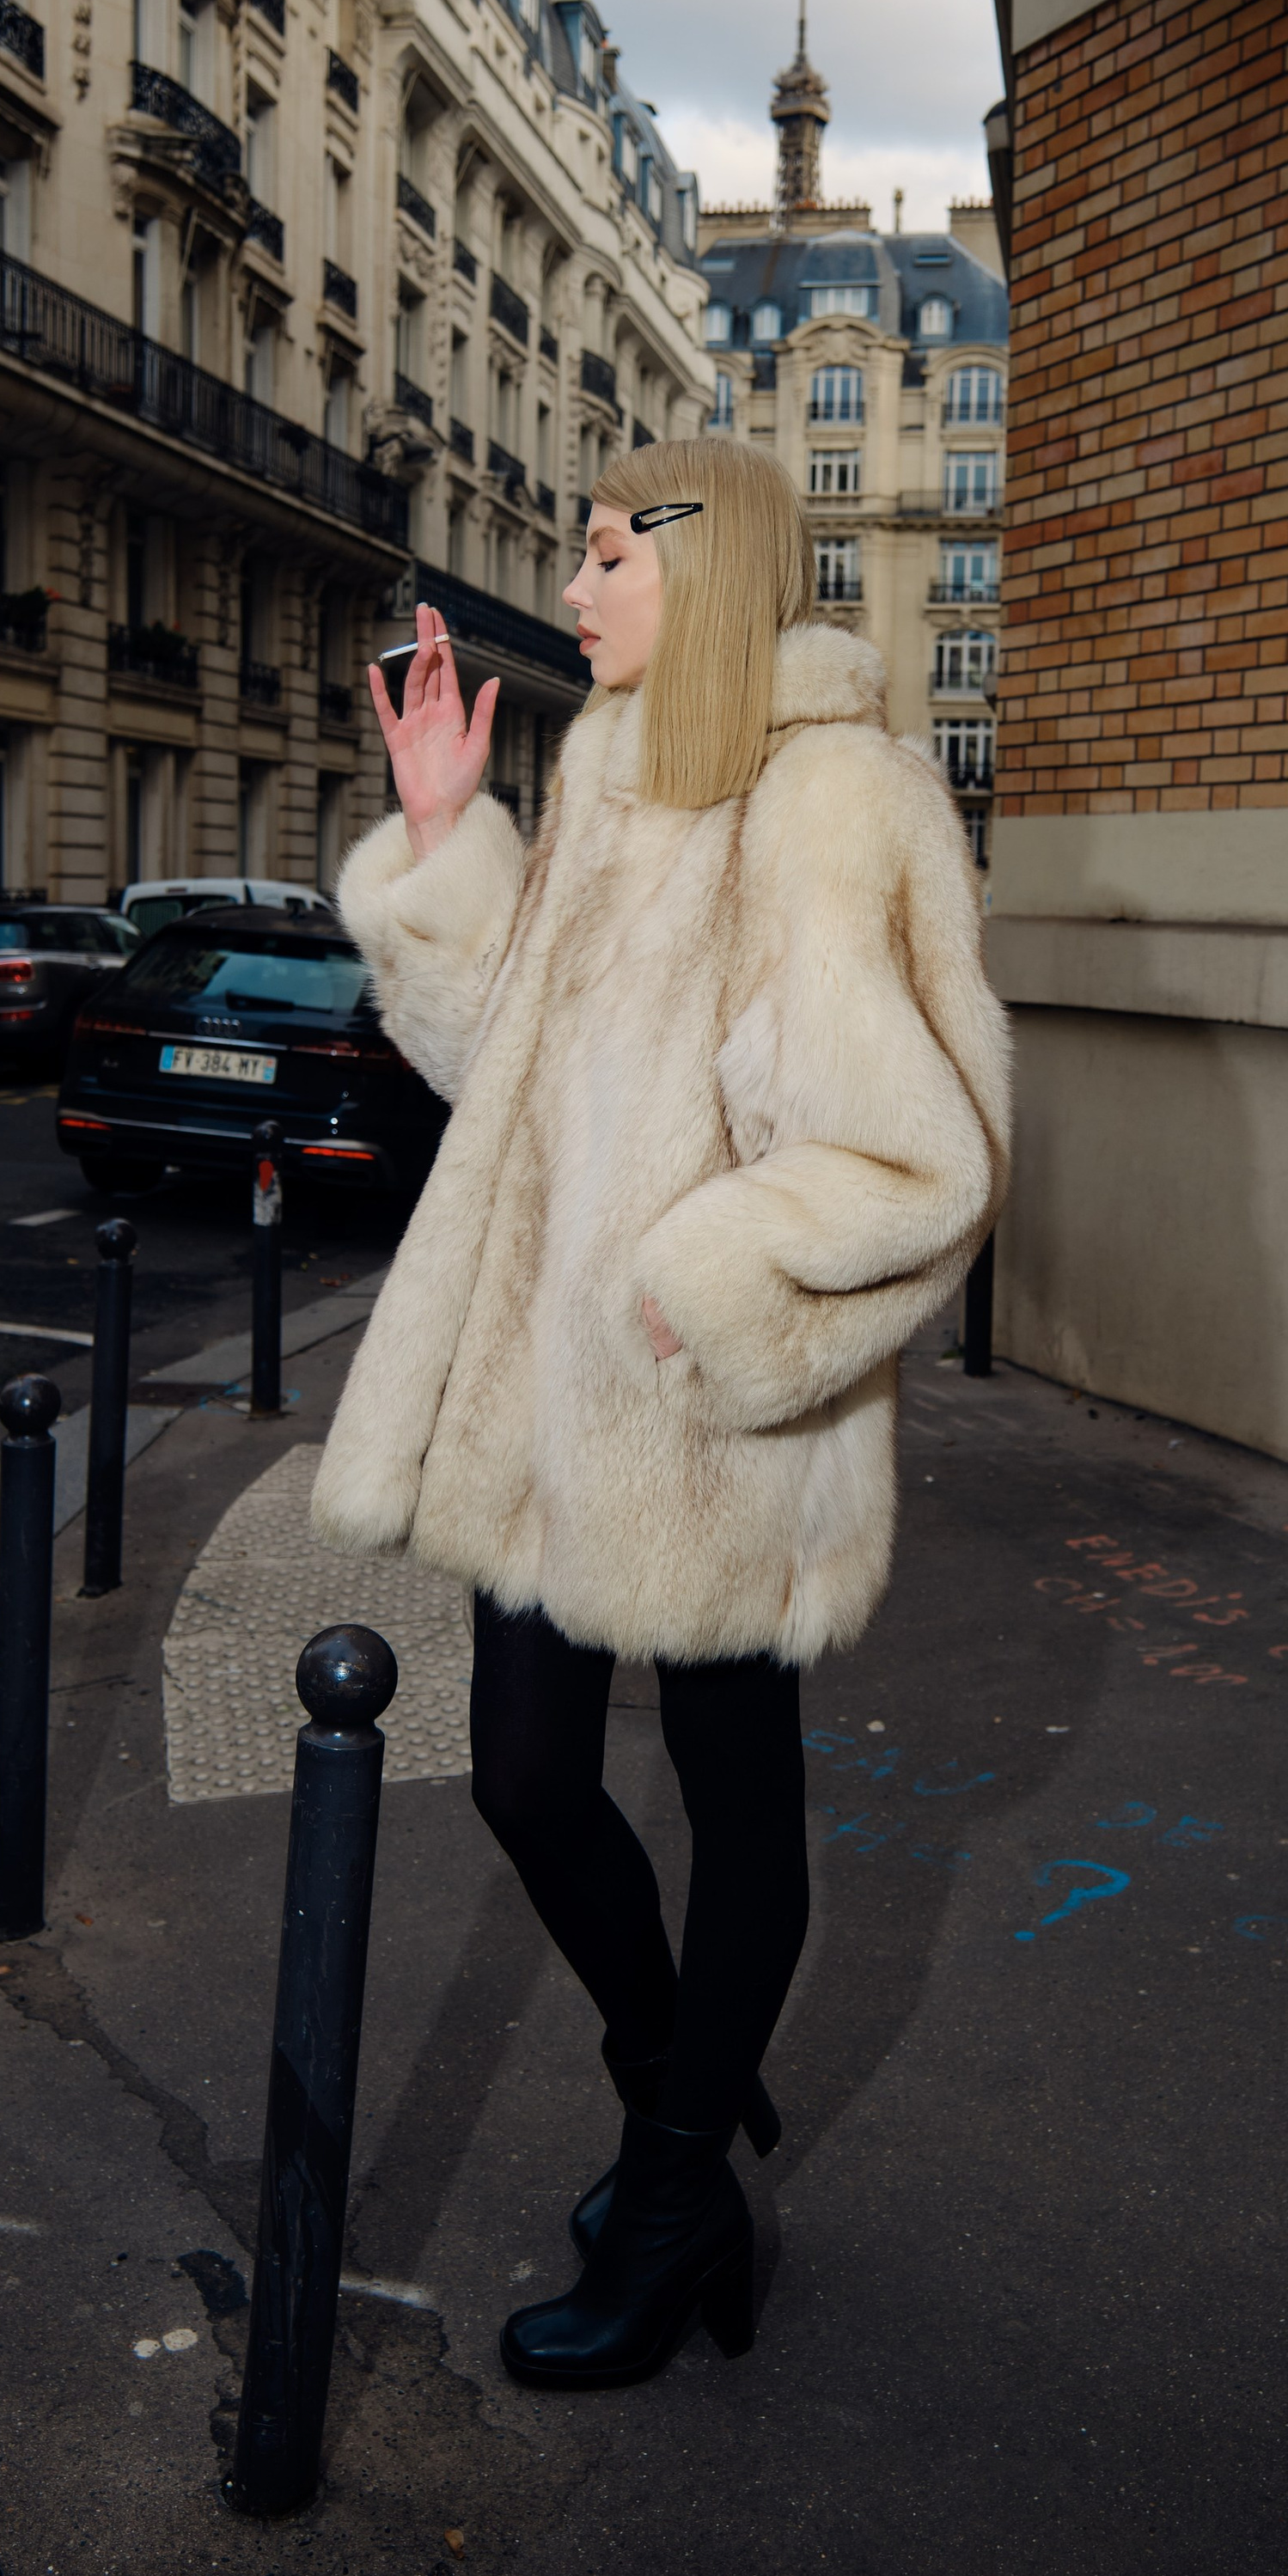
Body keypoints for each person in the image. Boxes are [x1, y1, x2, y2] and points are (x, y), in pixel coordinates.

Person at [314, 434, 1010, 2390]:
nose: (579, 587)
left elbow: (914, 1152)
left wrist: (707, 1284)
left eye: (610, 552)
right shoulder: (611, 779)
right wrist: (448, 847)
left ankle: (668, 2167)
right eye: (581, 547)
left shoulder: (833, 798)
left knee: (737, 1799)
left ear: (707, 571)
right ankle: (683, 2125)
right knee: (526, 1776)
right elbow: (496, 1077)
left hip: (709, 1395)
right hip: (553, 1395)